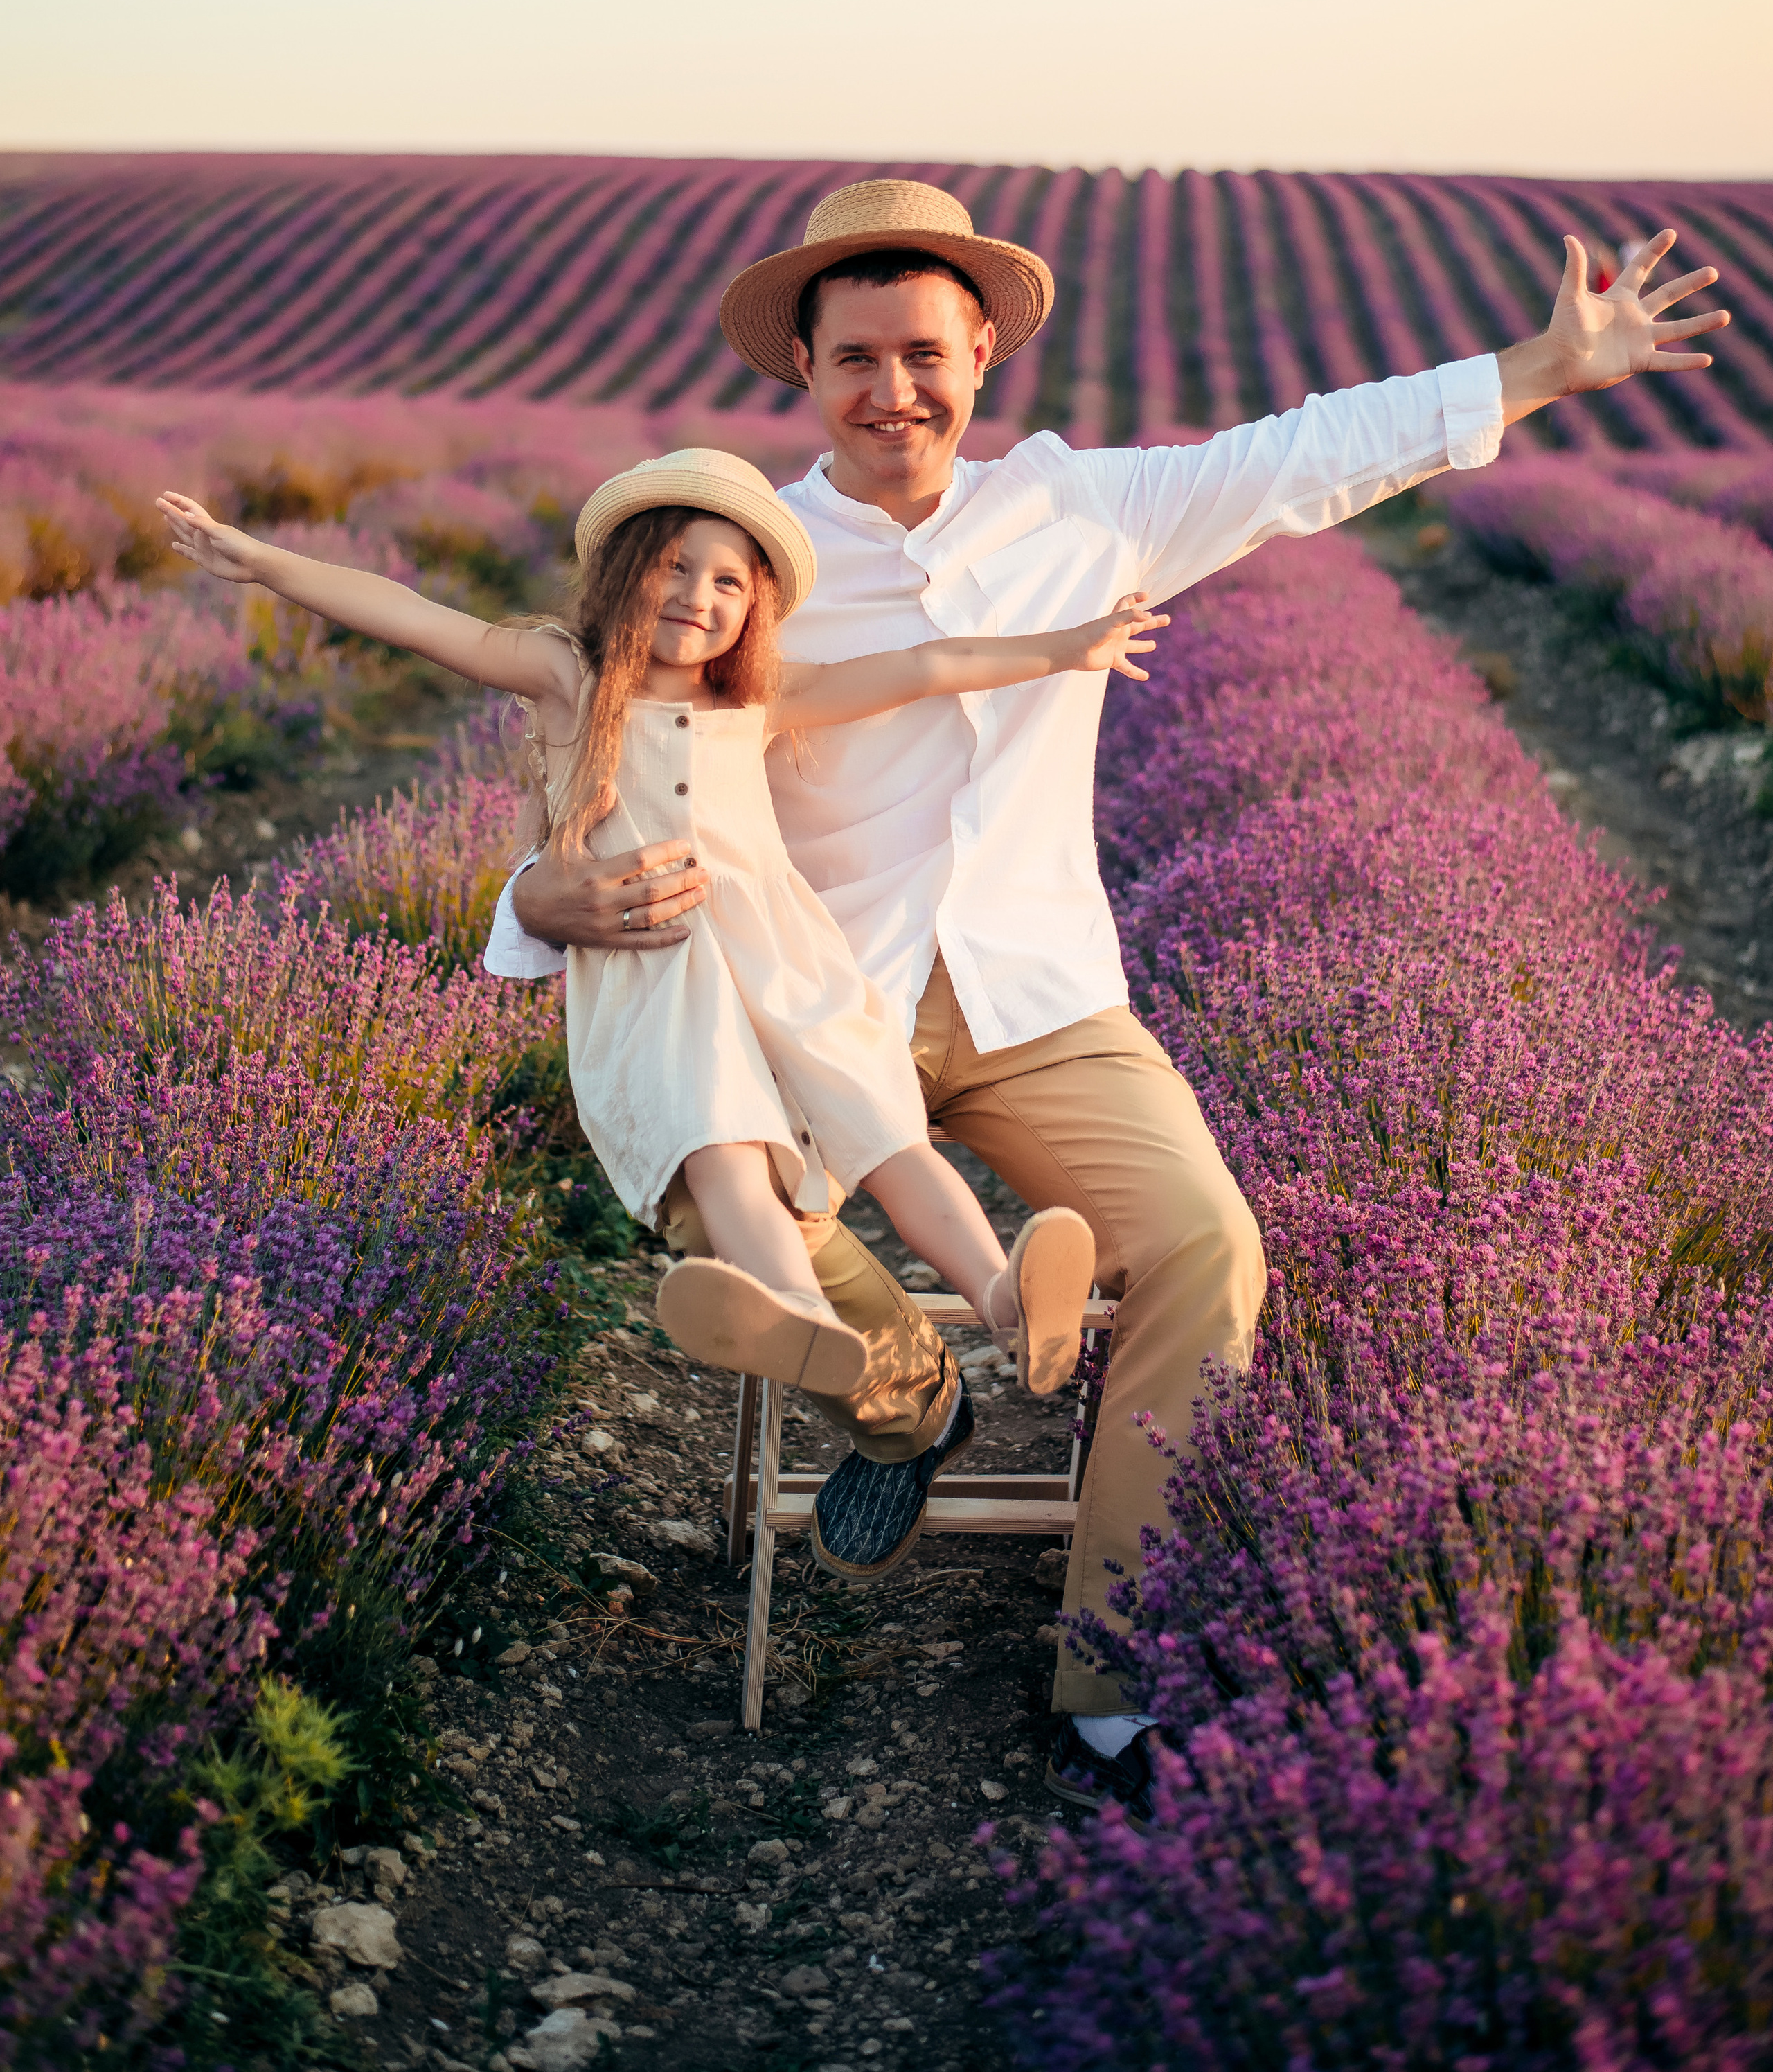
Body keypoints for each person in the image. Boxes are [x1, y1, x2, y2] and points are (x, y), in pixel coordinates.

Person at [485, 178, 1728, 1823]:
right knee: (727, 1207)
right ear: (802, 366)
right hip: (812, 1005)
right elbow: (606, 759)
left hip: (1038, 997)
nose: (890, 390)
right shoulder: (746, 559)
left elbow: (1301, 454)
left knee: (1206, 1246)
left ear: (980, 355)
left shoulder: (1083, 509)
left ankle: (1110, 1667)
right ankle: (906, 1398)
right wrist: (534, 900)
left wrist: (1540, 370)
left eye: (922, 354)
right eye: (853, 357)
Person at [157, 446, 1170, 1397]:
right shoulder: (570, 677)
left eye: (728, 582)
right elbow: (416, 616)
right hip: (664, 969)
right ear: (627, 570)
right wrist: (263, 561)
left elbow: (926, 666)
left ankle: (1003, 1300)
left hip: (786, 957)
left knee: (888, 1129)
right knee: (720, 1141)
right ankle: (802, 1318)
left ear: (754, 607)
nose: (698, 595)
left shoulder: (762, 698)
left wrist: (1068, 648)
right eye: (676, 566)